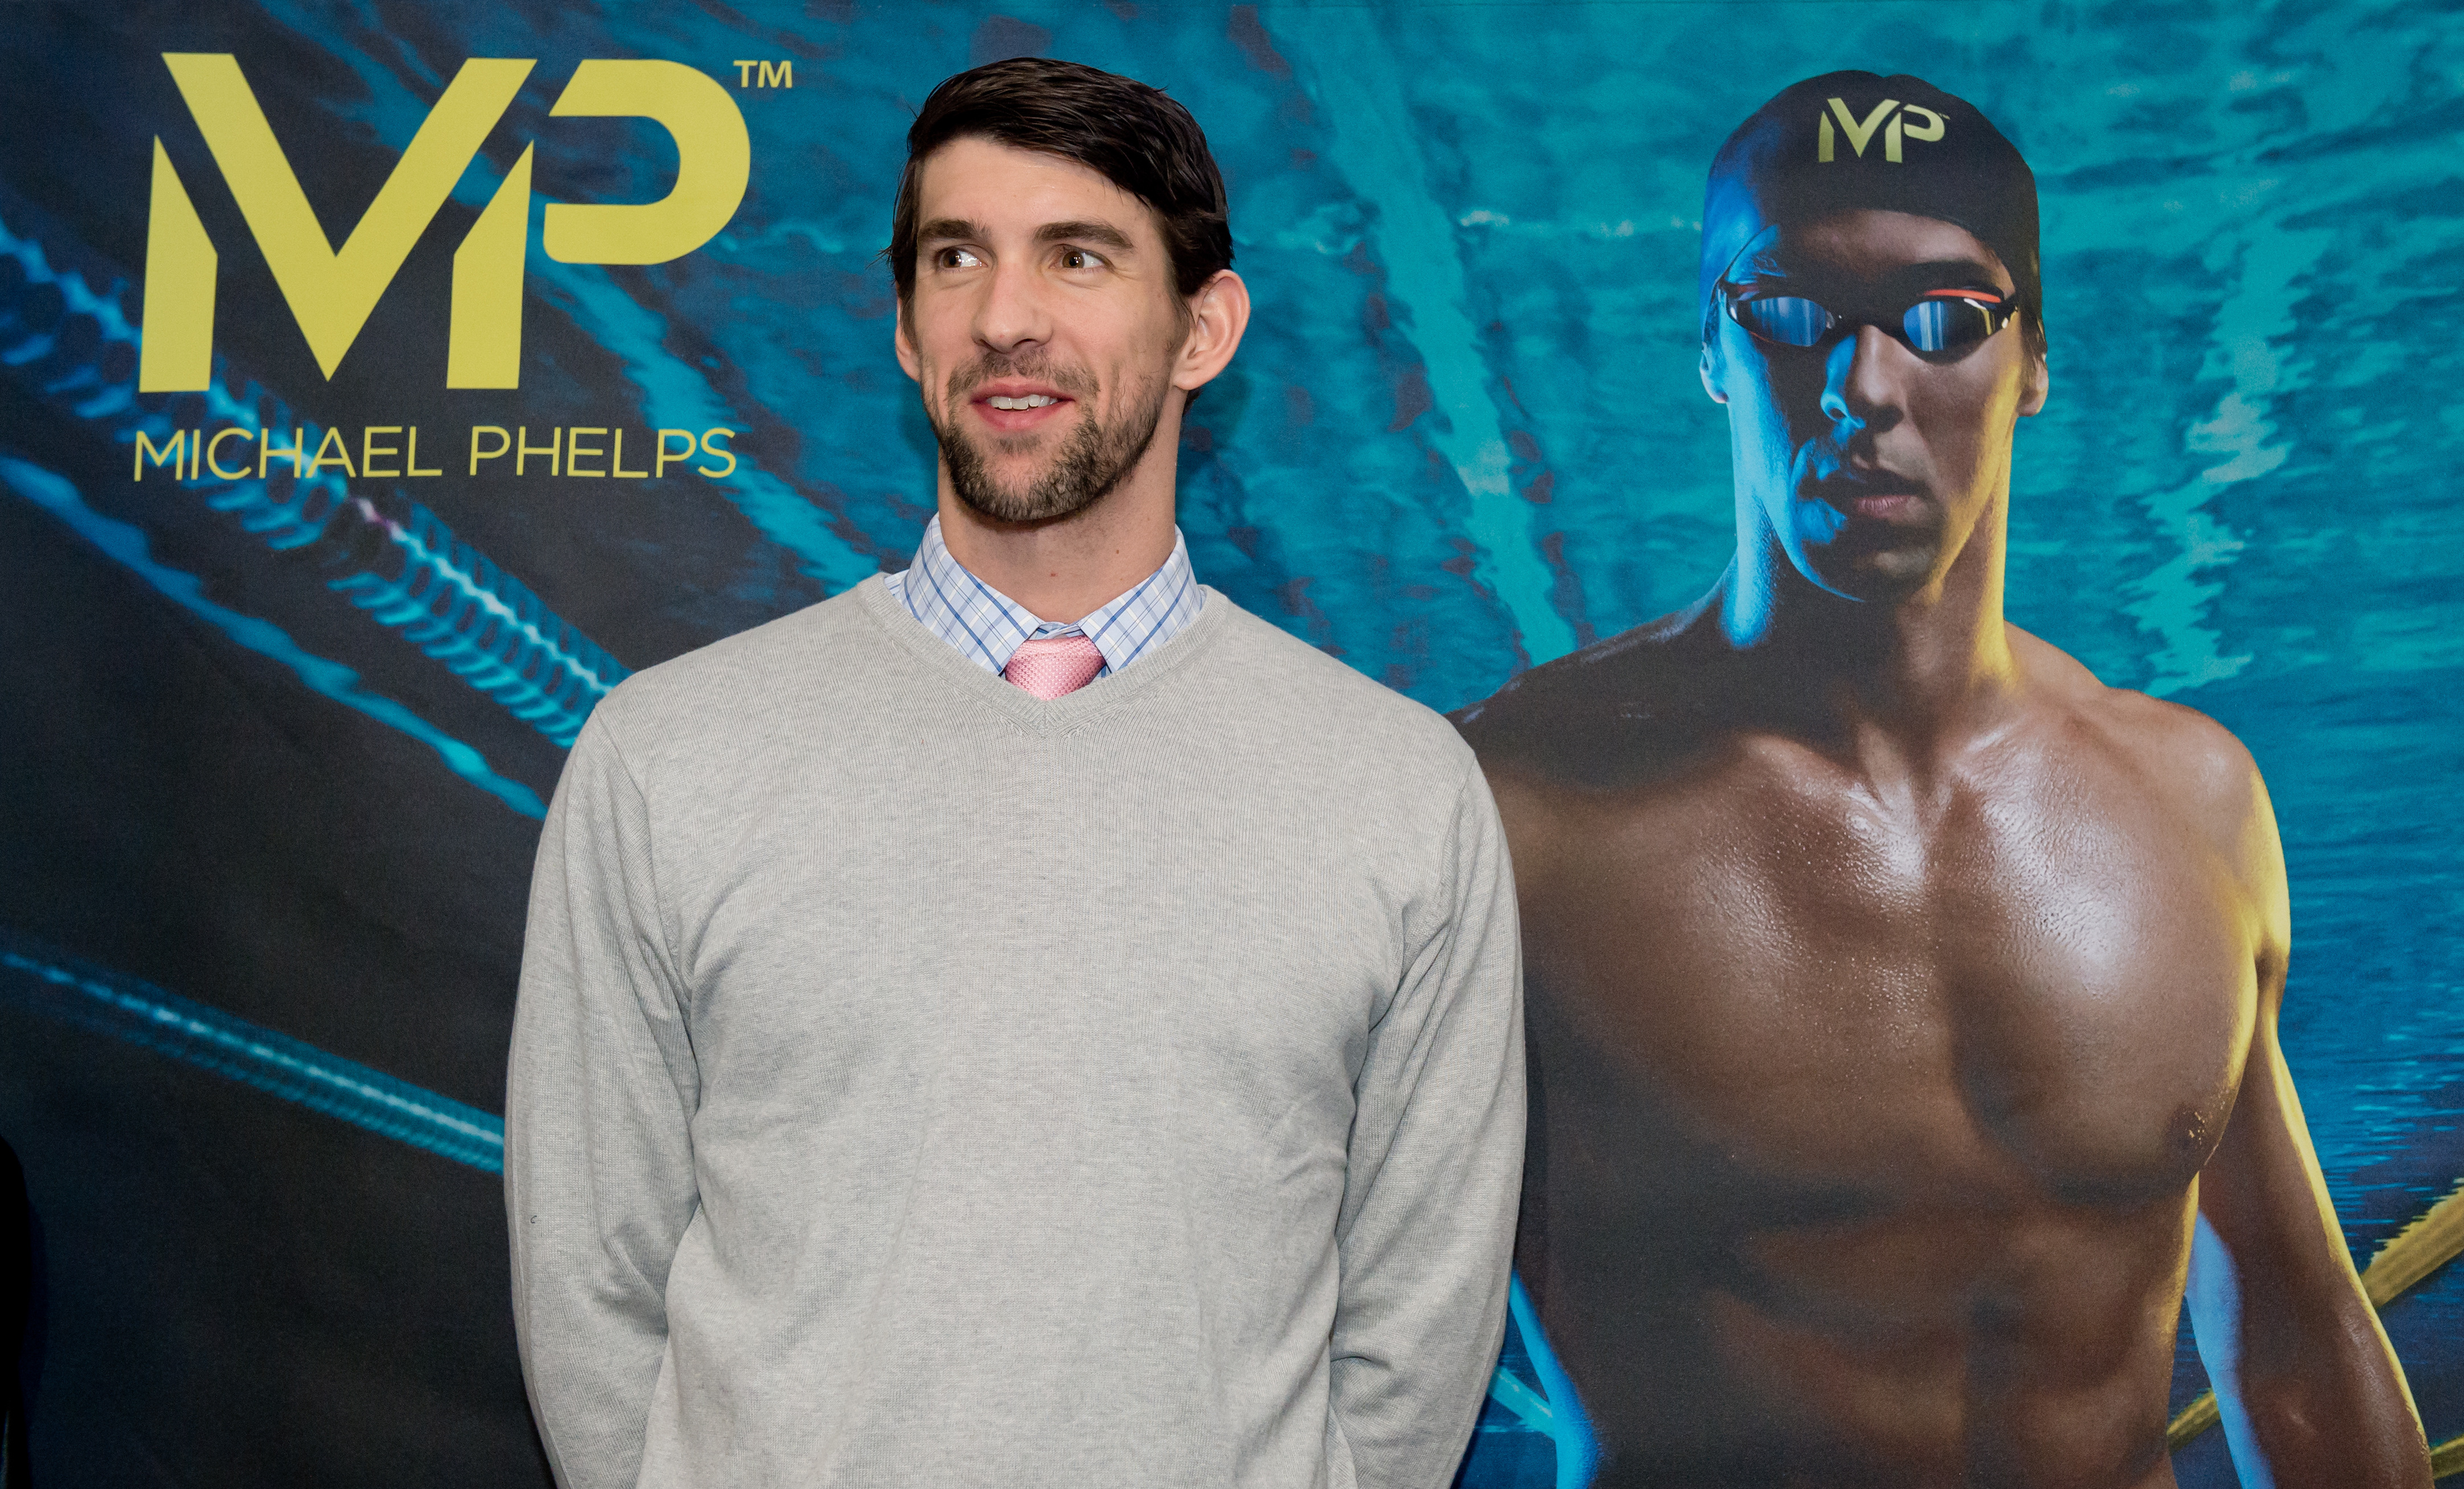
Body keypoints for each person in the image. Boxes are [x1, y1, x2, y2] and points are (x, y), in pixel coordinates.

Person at [505, 57, 1523, 1489]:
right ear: (907, 329)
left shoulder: (1398, 791)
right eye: (955, 257)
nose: (1005, 318)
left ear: (1203, 328)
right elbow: (589, 1293)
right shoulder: (669, 756)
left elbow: (1417, 1331)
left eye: (1080, 257)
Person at [1456, 72, 2430, 1488]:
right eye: (1789, 314)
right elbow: (1315, 1343)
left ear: (2032, 361)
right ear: (1716, 352)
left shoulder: (2193, 801)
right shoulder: (1506, 815)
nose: (1865, 388)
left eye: (1944, 321)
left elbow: (2289, 1332)